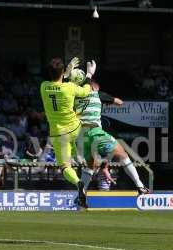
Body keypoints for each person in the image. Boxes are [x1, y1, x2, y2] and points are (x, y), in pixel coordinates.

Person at [70, 72, 149, 195]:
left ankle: (81, 194)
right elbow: (119, 102)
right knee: (122, 154)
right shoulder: (96, 94)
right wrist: (108, 99)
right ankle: (140, 186)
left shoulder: (74, 96)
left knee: (91, 166)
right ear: (93, 87)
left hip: (81, 136)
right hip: (94, 131)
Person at [40, 57, 95, 208]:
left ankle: (79, 183)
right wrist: (89, 74)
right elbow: (86, 91)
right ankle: (81, 154)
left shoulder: (43, 86)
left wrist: (66, 71)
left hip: (59, 134)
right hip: (76, 128)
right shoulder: (70, 87)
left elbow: (56, 83)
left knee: (65, 167)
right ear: (63, 72)